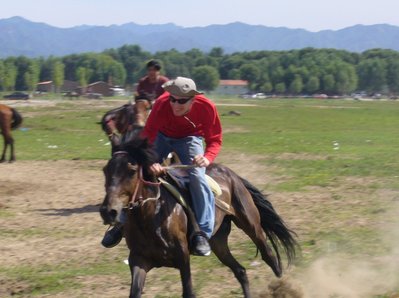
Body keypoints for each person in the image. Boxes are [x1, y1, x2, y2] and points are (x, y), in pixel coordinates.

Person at [102, 77, 222, 257]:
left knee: (197, 176)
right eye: (173, 99)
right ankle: (121, 223)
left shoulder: (207, 107)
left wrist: (206, 158)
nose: (175, 104)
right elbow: (148, 136)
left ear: (193, 99)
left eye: (181, 101)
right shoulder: (161, 103)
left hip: (190, 138)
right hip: (162, 136)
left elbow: (215, 139)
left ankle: (202, 233)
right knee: (136, 169)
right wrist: (150, 162)